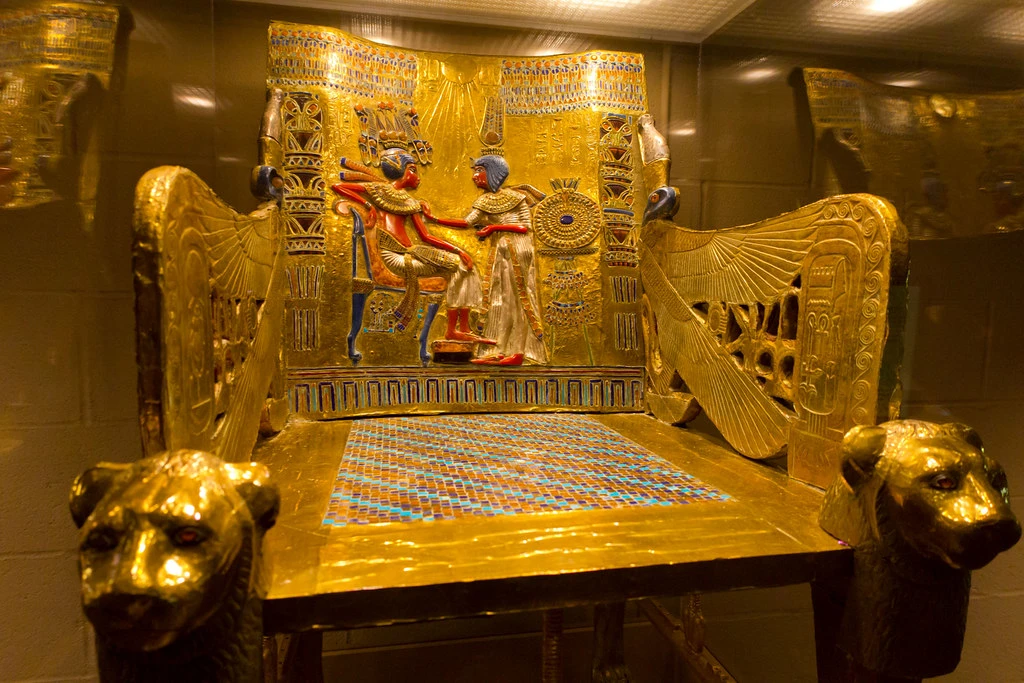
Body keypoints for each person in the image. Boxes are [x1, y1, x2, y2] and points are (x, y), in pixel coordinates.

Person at [332, 148, 494, 345]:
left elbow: (426, 236)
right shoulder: (378, 189)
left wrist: (458, 251)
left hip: (409, 253)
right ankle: (454, 329)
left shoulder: (410, 202)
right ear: (401, 170)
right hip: (393, 258)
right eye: (413, 170)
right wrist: (368, 206)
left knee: (463, 265)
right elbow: (338, 186)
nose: (418, 177)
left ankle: (462, 328)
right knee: (460, 267)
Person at [425, 155, 546, 365]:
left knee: (517, 299)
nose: (474, 176)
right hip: (500, 249)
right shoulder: (484, 201)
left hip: (518, 248)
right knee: (498, 298)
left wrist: (494, 227)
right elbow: (466, 223)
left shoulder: (517, 197)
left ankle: (518, 352)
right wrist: (433, 219)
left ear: (493, 172)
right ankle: (499, 349)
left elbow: (525, 227)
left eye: (479, 171)